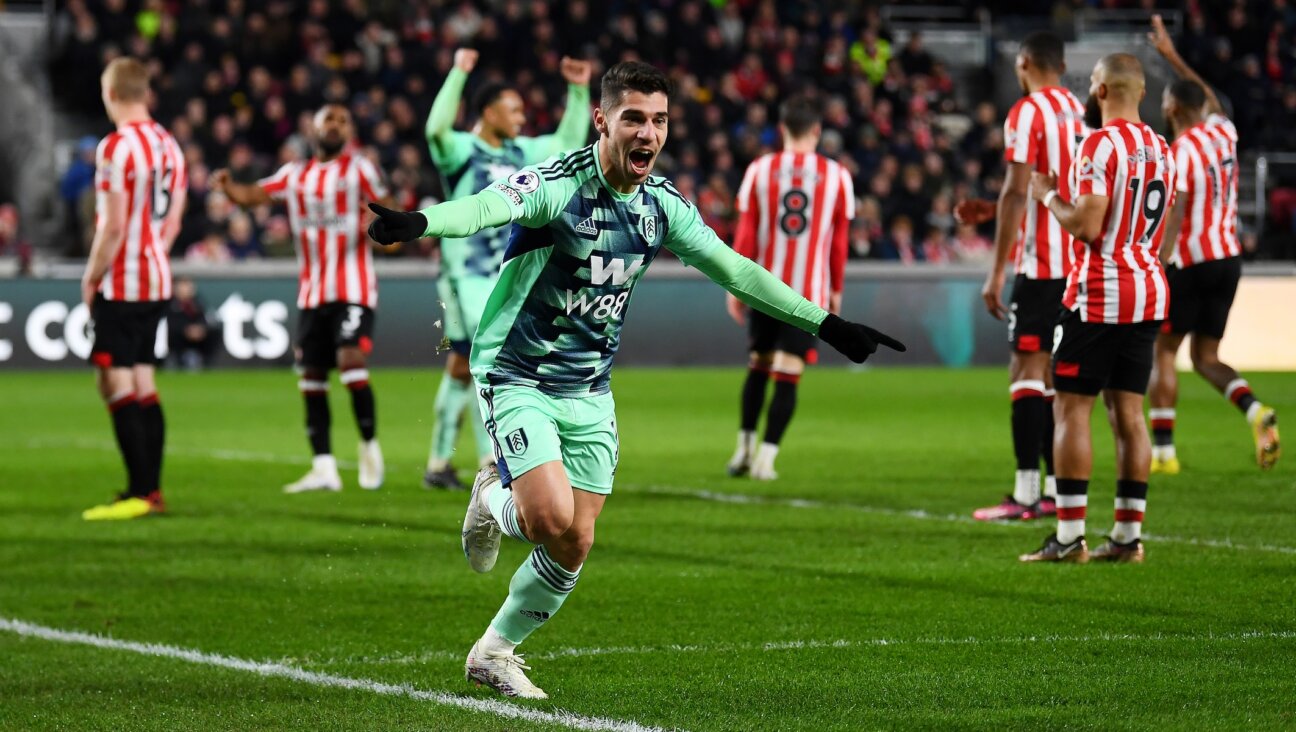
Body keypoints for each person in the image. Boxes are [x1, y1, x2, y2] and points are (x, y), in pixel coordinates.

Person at [366, 61, 905, 698]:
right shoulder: (559, 186)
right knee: (547, 517)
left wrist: (827, 324)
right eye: (634, 119)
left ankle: (494, 651)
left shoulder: (662, 206)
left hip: (589, 387)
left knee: (578, 540)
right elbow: (486, 206)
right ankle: (490, 497)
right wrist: (421, 222)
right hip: (517, 372)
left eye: (660, 120)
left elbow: (736, 270)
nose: (648, 132)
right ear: (603, 121)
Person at [1020, 53, 1174, 563]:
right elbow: (1167, 229)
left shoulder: (1098, 144)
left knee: (1071, 407)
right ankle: (1128, 538)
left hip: (1100, 291)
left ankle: (1068, 538)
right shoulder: (1162, 148)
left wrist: (1046, 196)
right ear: (1144, 95)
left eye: (1091, 83)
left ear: (1102, 91)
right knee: (1130, 412)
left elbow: (1086, 224)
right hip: (1149, 287)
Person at [422, 48, 592, 490]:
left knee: (462, 366)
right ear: (488, 111)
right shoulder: (461, 149)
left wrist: (578, 91)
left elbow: (567, 145)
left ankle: (439, 463)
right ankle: (491, 463)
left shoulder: (523, 152)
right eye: (512, 109)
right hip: (464, 276)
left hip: (504, 276)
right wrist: (458, 72)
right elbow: (435, 129)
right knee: (491, 360)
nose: (520, 117)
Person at [213, 105, 393, 493]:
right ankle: (324, 467)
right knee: (311, 378)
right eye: (329, 119)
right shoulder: (295, 175)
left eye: (344, 121)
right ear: (312, 127)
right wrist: (228, 187)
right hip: (312, 293)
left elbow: (390, 208)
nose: (335, 126)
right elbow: (253, 195)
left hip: (353, 289)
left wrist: (381, 227)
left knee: (349, 360)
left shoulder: (360, 169)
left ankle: (368, 445)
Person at [957, 32, 1087, 522]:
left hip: (1040, 266)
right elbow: (1064, 186)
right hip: (1077, 262)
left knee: (1025, 373)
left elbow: (1017, 191)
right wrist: (996, 208)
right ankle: (1055, 490)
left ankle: (1027, 494)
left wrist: (995, 271)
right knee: (1054, 377)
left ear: (1026, 63)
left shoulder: (1027, 111)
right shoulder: (1080, 110)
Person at [1145, 15, 1280, 473]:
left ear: (1173, 110)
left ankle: (1163, 453)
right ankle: (1255, 411)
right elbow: (1205, 95)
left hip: (1190, 260)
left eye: (1166, 100)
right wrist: (1171, 57)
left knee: (1164, 351)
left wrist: (1159, 262)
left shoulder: (1179, 151)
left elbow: (1177, 206)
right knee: (1206, 357)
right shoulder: (1223, 133)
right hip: (1229, 258)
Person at [724, 94, 854, 480]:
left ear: (782, 130)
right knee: (788, 373)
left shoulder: (760, 169)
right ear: (817, 131)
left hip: (763, 287)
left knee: (758, 366)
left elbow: (746, 233)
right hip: (808, 293)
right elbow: (839, 243)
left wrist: (734, 287)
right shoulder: (838, 176)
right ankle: (767, 458)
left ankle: (743, 449)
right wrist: (835, 291)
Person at [80, 57, 188, 521]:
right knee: (143, 378)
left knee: (114, 380)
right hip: (157, 276)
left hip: (123, 281)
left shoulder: (116, 147)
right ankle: (151, 490)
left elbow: (114, 226)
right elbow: (174, 219)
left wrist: (92, 276)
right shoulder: (170, 145)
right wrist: (154, 255)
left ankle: (140, 493)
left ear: (112, 94)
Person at [167, 276, 217, 370]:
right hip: (178, 337)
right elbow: (169, 323)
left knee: (214, 332)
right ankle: (174, 358)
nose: (188, 288)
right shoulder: (170, 303)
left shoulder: (196, 302)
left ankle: (205, 361)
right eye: (184, 285)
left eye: (189, 285)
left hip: (195, 336)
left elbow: (205, 318)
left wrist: (200, 329)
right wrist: (186, 329)